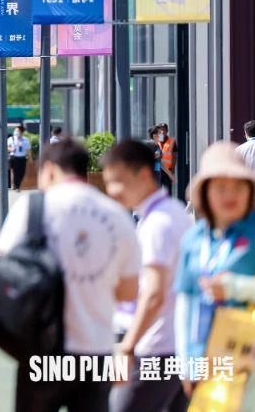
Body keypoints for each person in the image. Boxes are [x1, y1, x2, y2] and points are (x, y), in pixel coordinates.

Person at [0, 138, 139, 412]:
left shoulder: (31, 208)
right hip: (96, 351)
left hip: (41, 352)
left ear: (49, 170)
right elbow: (129, 293)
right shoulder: (117, 215)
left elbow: (8, 272)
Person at [174, 141, 255, 392]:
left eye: (239, 186)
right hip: (206, 364)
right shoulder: (193, 239)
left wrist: (235, 288)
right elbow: (185, 304)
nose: (230, 194)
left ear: (250, 191)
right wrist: (187, 366)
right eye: (220, 187)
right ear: (206, 192)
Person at [103, 140, 192, 412]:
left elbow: (154, 294)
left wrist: (128, 347)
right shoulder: (175, 212)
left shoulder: (157, 224)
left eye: (118, 181)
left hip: (156, 347)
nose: (112, 191)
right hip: (178, 346)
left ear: (143, 175)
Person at [6, 126, 31, 191]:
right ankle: (14, 185)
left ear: (22, 132)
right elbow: (7, 147)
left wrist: (30, 158)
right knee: (13, 171)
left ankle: (19, 185)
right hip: (13, 157)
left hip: (22, 157)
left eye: (18, 131)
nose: (16, 132)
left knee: (21, 172)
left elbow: (28, 150)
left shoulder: (25, 140)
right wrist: (11, 149)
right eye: (15, 130)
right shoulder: (11, 139)